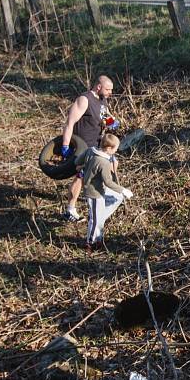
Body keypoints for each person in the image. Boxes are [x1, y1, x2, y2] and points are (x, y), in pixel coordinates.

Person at [61, 75, 118, 222]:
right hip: (84, 146)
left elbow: (104, 116)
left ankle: (103, 195)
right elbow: (69, 123)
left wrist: (112, 122)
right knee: (81, 176)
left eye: (111, 90)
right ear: (98, 87)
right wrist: (66, 145)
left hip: (98, 144)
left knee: (113, 163)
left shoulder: (102, 100)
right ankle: (70, 210)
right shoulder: (84, 99)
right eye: (108, 89)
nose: (110, 93)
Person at [74, 133, 133, 250]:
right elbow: (108, 182)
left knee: (103, 210)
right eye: (116, 148)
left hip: (90, 187)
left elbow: (77, 162)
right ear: (109, 148)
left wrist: (85, 167)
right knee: (95, 220)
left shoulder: (90, 150)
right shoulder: (104, 163)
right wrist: (123, 190)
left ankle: (98, 238)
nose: (116, 151)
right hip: (95, 193)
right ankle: (90, 243)